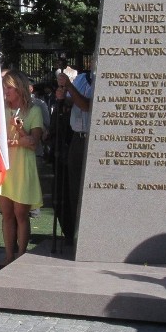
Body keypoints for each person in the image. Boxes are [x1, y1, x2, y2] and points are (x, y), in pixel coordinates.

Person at [0, 70, 43, 270]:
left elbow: (33, 142)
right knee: (6, 213)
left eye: (9, 87)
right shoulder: (1, 110)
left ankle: (21, 256)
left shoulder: (33, 111)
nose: (6, 91)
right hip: (4, 166)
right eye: (4, 87)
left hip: (22, 167)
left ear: (19, 88)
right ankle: (8, 257)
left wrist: (17, 132)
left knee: (21, 214)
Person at [56, 59, 94, 246]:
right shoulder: (81, 79)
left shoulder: (104, 80)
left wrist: (69, 86)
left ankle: (90, 231)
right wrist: (63, 94)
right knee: (73, 187)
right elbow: (73, 101)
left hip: (92, 140)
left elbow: (87, 105)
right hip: (77, 138)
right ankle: (73, 232)